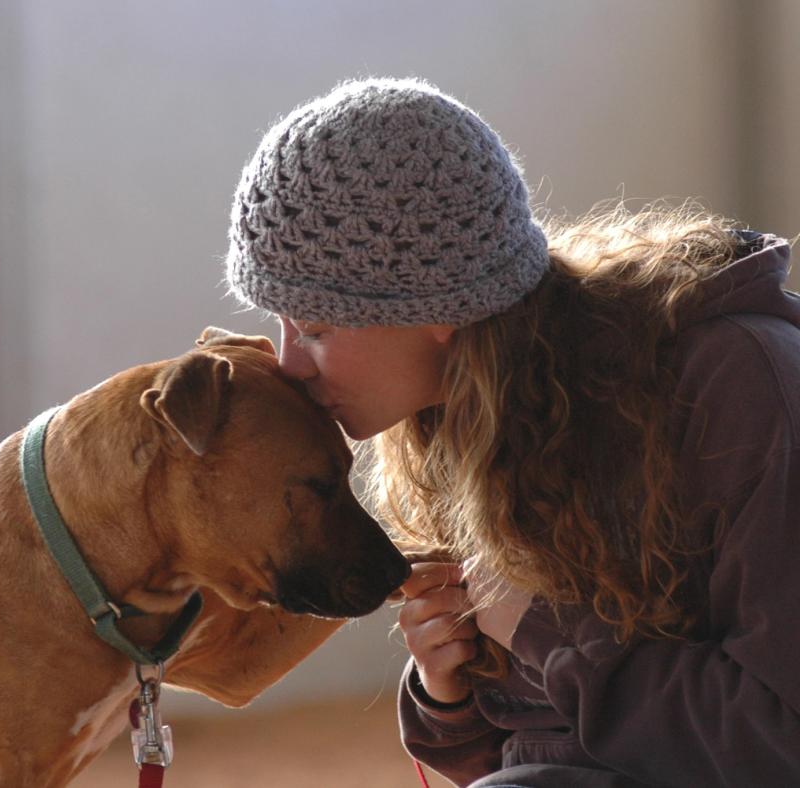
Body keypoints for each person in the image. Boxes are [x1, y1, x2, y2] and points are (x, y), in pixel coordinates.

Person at [223, 77, 800, 787]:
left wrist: (545, 635)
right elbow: (523, 755)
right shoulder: (460, 417)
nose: (287, 364)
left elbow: (781, 739)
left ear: (437, 308)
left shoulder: (738, 382)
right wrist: (448, 694)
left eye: (313, 327)